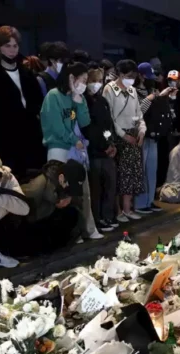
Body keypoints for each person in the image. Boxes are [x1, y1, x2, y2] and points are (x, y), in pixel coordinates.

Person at [40, 61, 103, 240]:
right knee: (64, 193)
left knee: (83, 191)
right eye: (82, 80)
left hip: (77, 150)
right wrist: (74, 140)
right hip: (59, 149)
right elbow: (56, 126)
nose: (84, 84)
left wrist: (79, 101)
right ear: (71, 77)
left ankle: (89, 229)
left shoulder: (77, 97)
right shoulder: (54, 96)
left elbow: (84, 122)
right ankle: (72, 234)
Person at [0, 26, 44, 176]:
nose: (12, 50)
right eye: (7, 46)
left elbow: (37, 103)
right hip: (5, 141)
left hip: (30, 140)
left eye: (15, 46)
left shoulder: (27, 74)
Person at [102, 59, 146, 222]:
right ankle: (118, 210)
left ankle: (128, 208)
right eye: (129, 76)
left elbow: (138, 114)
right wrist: (122, 135)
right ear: (120, 74)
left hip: (133, 135)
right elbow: (110, 117)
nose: (131, 79)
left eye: (133, 76)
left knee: (132, 174)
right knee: (120, 175)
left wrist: (141, 130)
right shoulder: (109, 89)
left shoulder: (133, 91)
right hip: (119, 137)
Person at [15, 160, 83, 255]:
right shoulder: (38, 185)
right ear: (61, 178)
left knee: (72, 213)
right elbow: (21, 213)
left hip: (47, 216)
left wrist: (67, 200)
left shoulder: (61, 182)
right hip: (30, 222)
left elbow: (74, 199)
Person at [84, 64, 119, 232]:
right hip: (93, 152)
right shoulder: (85, 100)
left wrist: (111, 143)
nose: (97, 84)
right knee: (96, 188)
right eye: (94, 80)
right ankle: (97, 219)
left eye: (100, 80)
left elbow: (107, 126)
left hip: (106, 150)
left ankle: (108, 216)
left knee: (110, 185)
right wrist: (101, 146)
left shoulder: (102, 100)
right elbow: (89, 129)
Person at [134, 62, 171, 214]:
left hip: (154, 133)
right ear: (140, 76)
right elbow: (138, 111)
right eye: (147, 76)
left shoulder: (152, 89)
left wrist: (160, 96)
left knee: (151, 170)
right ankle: (140, 203)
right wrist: (150, 98)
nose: (150, 79)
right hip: (142, 134)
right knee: (142, 170)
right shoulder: (134, 91)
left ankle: (149, 201)